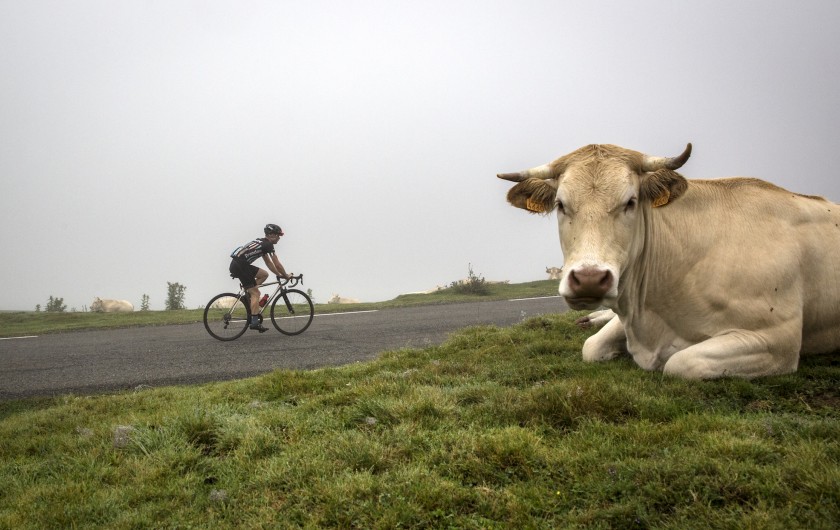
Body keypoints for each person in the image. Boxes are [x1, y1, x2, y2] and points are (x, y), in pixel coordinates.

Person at [229, 223, 291, 332]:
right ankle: (254, 322)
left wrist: (279, 274)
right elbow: (276, 263)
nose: (279, 238)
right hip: (241, 266)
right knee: (256, 293)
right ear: (271, 235)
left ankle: (249, 294)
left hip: (239, 264)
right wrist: (286, 276)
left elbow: (268, 263)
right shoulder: (268, 245)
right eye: (278, 235)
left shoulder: (262, 242)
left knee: (264, 274)